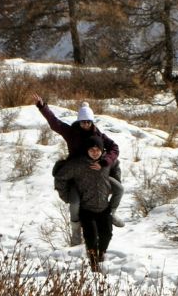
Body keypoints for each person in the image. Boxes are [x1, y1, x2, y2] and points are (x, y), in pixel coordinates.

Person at [33, 94, 124, 245]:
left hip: (98, 172)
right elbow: (55, 123)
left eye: (88, 122)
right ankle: (76, 230)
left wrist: (105, 161)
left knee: (119, 189)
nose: (86, 125)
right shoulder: (71, 133)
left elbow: (114, 148)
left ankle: (112, 213)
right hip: (77, 174)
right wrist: (43, 107)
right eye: (83, 122)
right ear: (79, 121)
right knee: (75, 203)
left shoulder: (98, 135)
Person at [54, 136, 115, 271]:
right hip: (87, 209)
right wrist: (67, 196)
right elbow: (60, 177)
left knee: (107, 234)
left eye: (97, 149)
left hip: (104, 207)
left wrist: (113, 187)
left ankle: (101, 254)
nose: (95, 152)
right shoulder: (78, 164)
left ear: (102, 150)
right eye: (91, 149)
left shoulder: (106, 162)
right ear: (86, 150)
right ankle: (93, 264)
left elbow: (115, 160)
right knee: (91, 237)